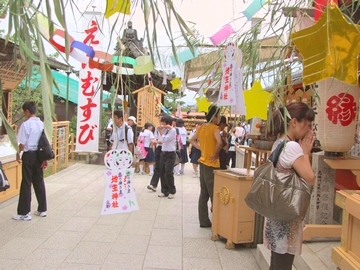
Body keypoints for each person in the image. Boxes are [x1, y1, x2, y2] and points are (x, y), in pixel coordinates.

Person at [265, 102, 315, 270]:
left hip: (277, 213)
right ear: (294, 122)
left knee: (276, 263)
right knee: (282, 265)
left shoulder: (279, 142)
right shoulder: (292, 146)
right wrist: (305, 153)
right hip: (286, 218)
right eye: (306, 124)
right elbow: (310, 178)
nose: (308, 130)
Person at [13, 101, 48, 221]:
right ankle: (42, 209)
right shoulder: (41, 124)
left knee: (26, 182)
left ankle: (24, 212)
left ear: (27, 111)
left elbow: (22, 143)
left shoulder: (26, 125)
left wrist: (18, 153)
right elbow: (45, 142)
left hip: (29, 155)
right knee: (39, 181)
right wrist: (44, 158)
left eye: (24, 112)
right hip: (39, 155)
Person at [190, 106, 223, 227]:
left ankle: (204, 221)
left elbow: (192, 140)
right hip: (212, 164)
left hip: (203, 162)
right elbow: (219, 143)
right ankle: (218, 223)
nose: (218, 119)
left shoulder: (202, 127)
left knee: (203, 194)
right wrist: (215, 154)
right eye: (218, 116)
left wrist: (201, 148)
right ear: (214, 117)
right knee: (214, 193)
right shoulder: (215, 128)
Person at [147, 113, 167, 191]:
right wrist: (154, 143)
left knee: (165, 169)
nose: (160, 120)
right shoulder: (156, 128)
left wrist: (158, 141)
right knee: (157, 166)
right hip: (158, 148)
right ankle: (153, 184)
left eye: (161, 118)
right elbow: (155, 138)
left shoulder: (168, 129)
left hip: (166, 149)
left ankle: (166, 187)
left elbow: (165, 139)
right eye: (159, 118)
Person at [159, 115, 177, 199]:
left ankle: (172, 191)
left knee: (168, 172)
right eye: (161, 122)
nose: (162, 124)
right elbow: (162, 140)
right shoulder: (165, 130)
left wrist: (161, 131)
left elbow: (165, 139)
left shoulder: (173, 130)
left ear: (168, 123)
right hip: (163, 153)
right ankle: (164, 190)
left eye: (164, 123)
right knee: (162, 172)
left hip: (170, 154)